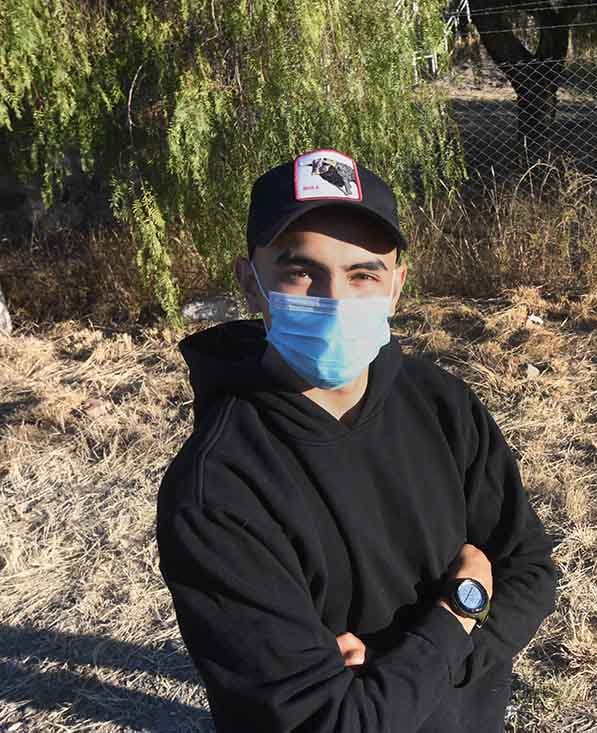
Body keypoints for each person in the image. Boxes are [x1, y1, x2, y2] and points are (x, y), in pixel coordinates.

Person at [157, 149, 557, 732]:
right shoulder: (215, 491)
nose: (334, 300)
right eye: (300, 272)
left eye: (363, 274)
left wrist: (413, 671)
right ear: (250, 284)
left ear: (396, 288)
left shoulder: (442, 404)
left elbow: (527, 566)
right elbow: (330, 724)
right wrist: (456, 614)